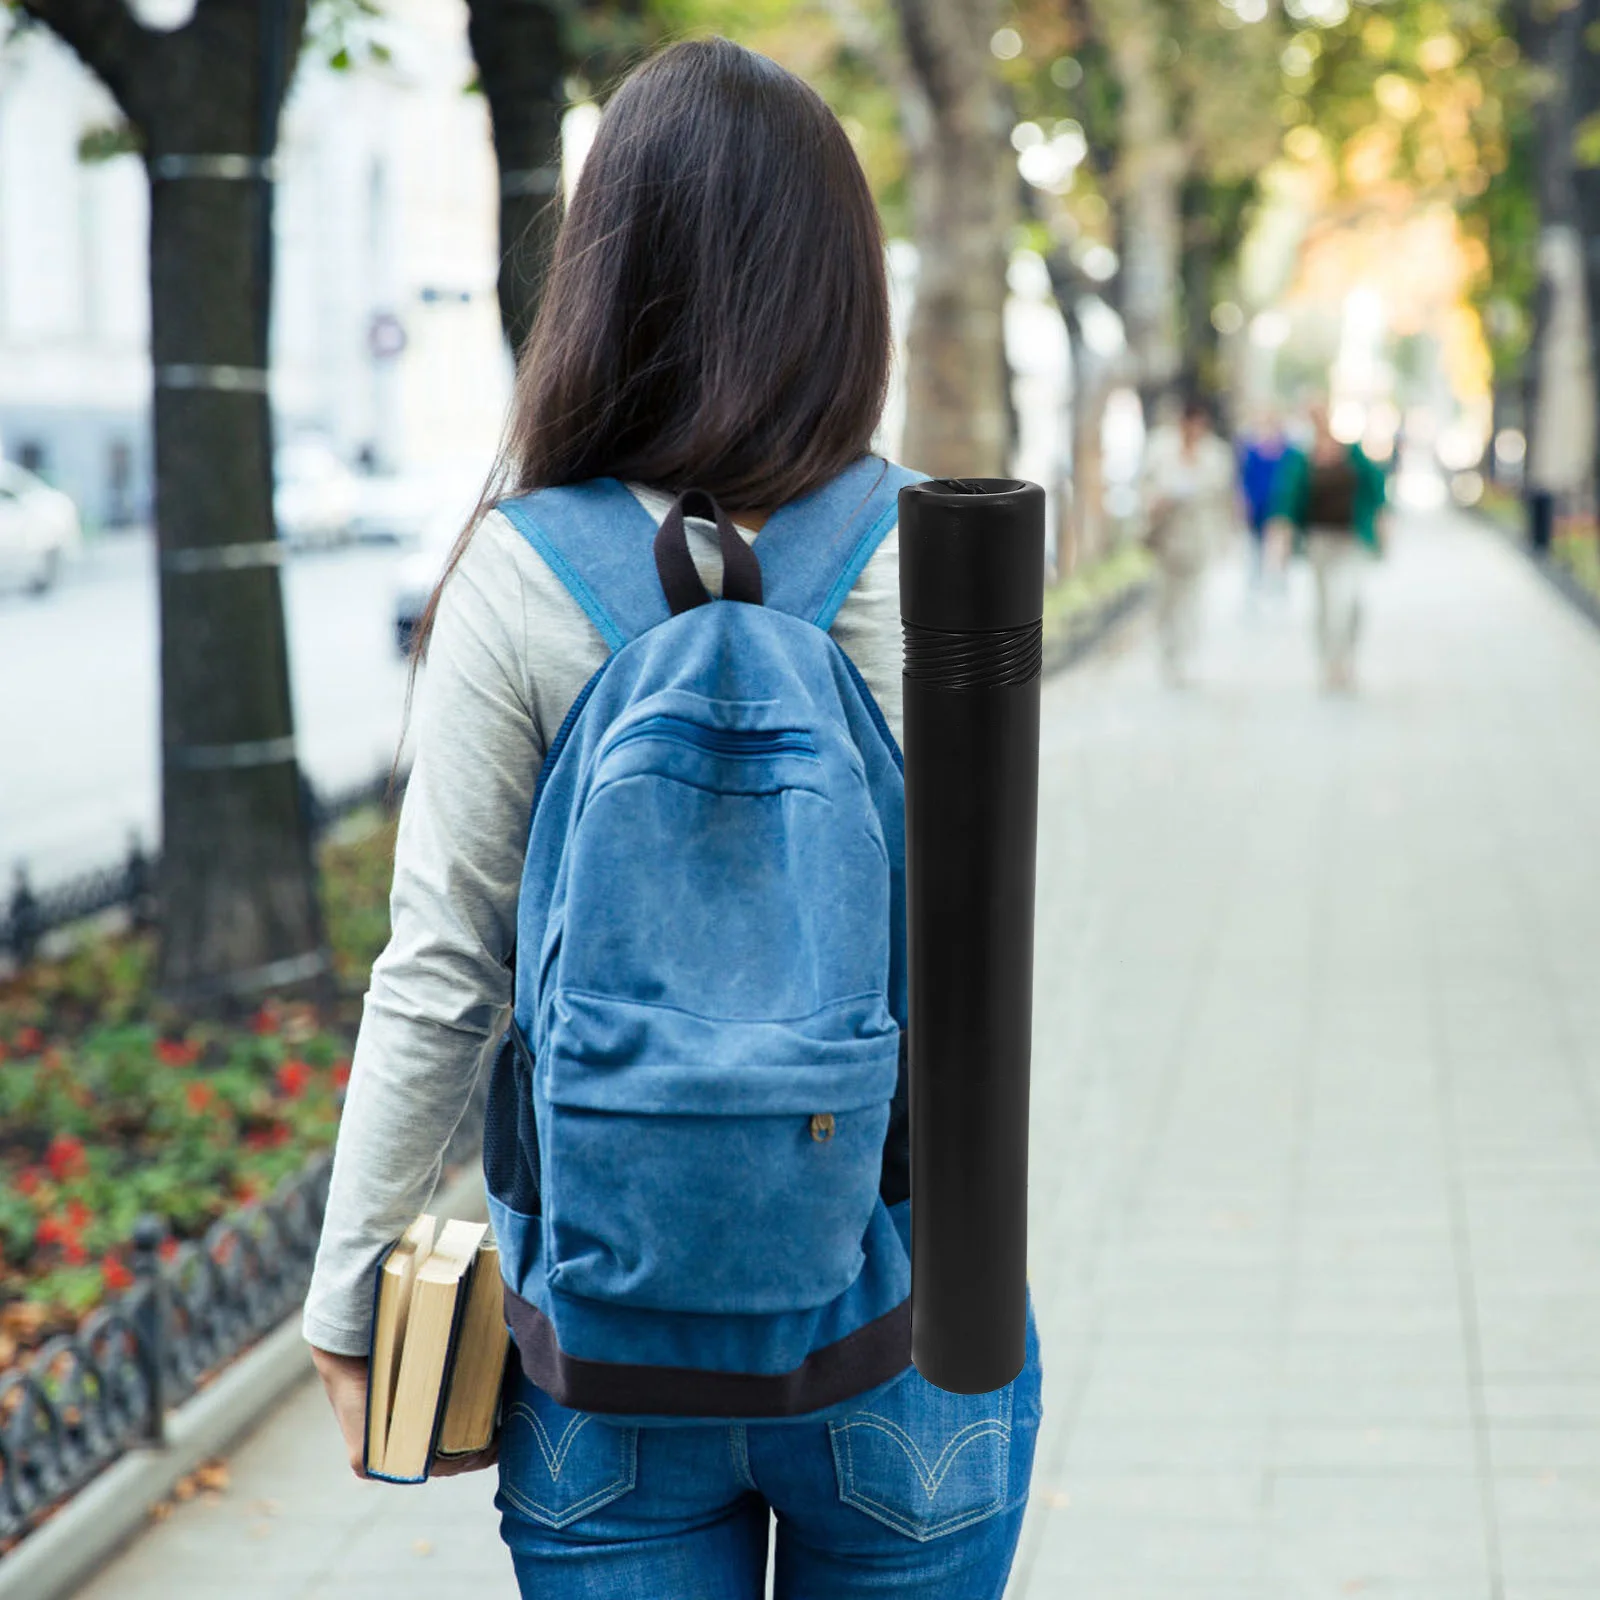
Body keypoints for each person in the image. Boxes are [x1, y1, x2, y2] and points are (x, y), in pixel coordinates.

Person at [302, 38, 1042, 1600]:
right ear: (848, 290)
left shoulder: (515, 572)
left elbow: (443, 969)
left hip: (604, 1355)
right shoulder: (935, 559)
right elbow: (978, 968)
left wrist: (352, 1291)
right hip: (904, 1323)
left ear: (605, 275)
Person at [1267, 402, 1388, 692]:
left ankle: (1346, 659)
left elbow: (1377, 493)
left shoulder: (1353, 454)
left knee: (1350, 602)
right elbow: (1287, 502)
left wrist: (1384, 532)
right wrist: (1281, 541)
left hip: (1351, 540)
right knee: (1324, 606)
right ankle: (1328, 664)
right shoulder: (1301, 458)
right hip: (1319, 541)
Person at [1140, 393, 1238, 685]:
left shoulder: (1217, 455)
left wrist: (1226, 538)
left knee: (1192, 602)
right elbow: (1145, 487)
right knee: (1166, 601)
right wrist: (1155, 502)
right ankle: (1168, 655)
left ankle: (1186, 658)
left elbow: (1224, 499)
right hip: (1166, 537)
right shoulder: (1160, 448)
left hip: (1198, 537)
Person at [1236, 406, 1288, 590]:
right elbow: (1244, 480)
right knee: (1255, 550)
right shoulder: (1251, 450)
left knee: (1279, 549)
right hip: (1257, 507)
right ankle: (1255, 587)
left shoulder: (1287, 450)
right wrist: (1244, 504)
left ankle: (1279, 585)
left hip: (1277, 507)